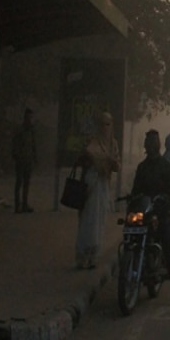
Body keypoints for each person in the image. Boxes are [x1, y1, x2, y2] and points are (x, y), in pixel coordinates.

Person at [130, 130, 170, 306]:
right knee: (129, 233)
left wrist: (162, 206)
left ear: (158, 145)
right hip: (144, 213)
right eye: (148, 142)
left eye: (153, 142)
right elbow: (136, 192)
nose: (150, 145)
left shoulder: (166, 166)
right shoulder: (142, 168)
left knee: (167, 242)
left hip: (160, 212)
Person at [75, 111, 120, 270]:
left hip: (103, 185)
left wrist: (111, 162)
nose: (105, 127)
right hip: (91, 184)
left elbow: (116, 165)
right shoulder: (91, 141)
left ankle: (94, 255)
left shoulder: (113, 144)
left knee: (100, 221)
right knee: (87, 221)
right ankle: (82, 255)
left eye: (108, 124)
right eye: (102, 124)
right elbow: (85, 158)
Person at [12, 108, 38, 213]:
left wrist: (35, 157)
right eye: (28, 117)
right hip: (21, 160)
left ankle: (24, 204)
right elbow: (15, 144)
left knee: (26, 183)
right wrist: (16, 156)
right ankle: (17, 205)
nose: (30, 120)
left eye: (31, 117)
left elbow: (33, 145)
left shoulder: (31, 131)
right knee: (19, 182)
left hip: (28, 160)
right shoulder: (20, 130)